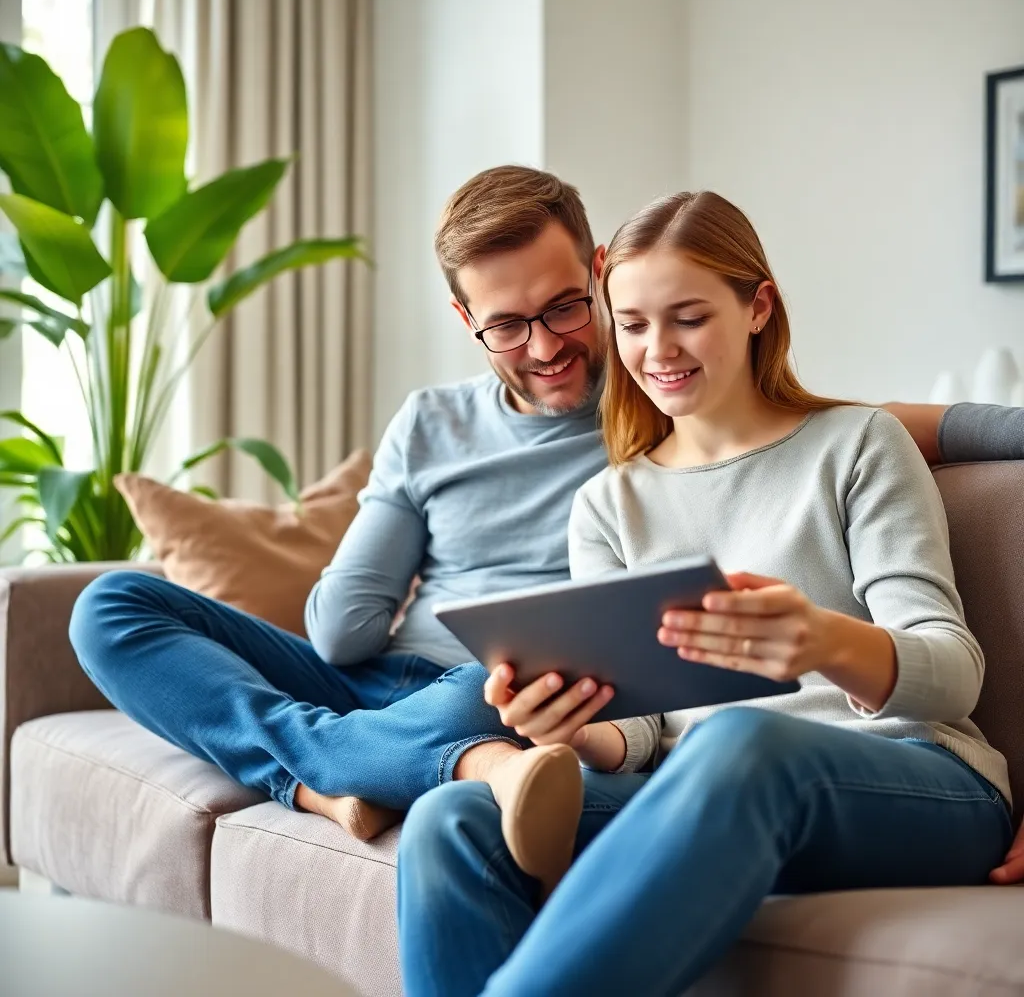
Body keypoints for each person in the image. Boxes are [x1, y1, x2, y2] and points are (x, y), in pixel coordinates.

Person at [67, 165, 1024, 872]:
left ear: (600, 273)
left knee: (471, 698)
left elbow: (829, 425)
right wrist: (387, 518)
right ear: (466, 320)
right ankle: (332, 778)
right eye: (506, 325)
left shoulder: (662, 394)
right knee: (111, 606)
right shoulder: (429, 423)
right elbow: (341, 631)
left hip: (511, 691)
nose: (545, 347)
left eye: (567, 308)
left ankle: (425, 762)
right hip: (384, 684)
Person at [394, 191, 1017, 997]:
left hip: (921, 779)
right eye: (632, 324)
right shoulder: (609, 504)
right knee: (452, 818)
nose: (658, 350)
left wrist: (825, 641)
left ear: (758, 307)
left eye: (687, 318)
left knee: (738, 741)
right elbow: (641, 729)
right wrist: (571, 727)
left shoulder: (859, 445)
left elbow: (954, 673)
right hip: (710, 790)